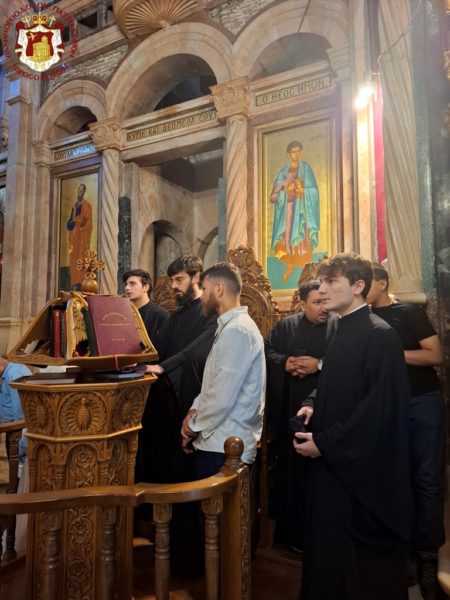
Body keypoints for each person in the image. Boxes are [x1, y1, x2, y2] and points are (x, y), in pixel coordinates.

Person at [294, 253, 413, 600]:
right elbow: (334, 382)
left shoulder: (381, 335)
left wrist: (326, 444)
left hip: (360, 475)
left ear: (358, 286)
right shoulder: (340, 328)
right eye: (322, 282)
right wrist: (312, 404)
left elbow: (378, 411)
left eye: (331, 282)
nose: (322, 289)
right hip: (334, 465)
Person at [367, 263, 445, 600]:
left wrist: (393, 354)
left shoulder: (409, 313)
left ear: (382, 283)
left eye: (367, 282)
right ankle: (403, 552)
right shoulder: (363, 319)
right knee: (393, 478)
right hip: (385, 404)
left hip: (420, 401)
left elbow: (435, 355)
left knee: (426, 481)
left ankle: (427, 556)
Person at [265, 279, 337, 550]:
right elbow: (265, 351)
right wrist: (285, 363)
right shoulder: (286, 326)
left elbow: (348, 361)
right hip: (288, 409)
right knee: (291, 475)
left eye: (325, 301)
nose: (323, 308)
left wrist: (319, 365)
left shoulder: (339, 326)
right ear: (302, 304)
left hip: (325, 412)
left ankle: (321, 537)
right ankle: (291, 536)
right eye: (316, 302)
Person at [181, 262, 266, 477]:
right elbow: (212, 384)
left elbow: (222, 396)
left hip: (227, 447)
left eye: (204, 288)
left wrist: (192, 426)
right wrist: (193, 411)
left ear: (219, 289)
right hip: (217, 442)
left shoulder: (238, 330)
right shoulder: (230, 327)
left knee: (220, 501)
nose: (201, 295)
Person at [142, 255, 217, 484]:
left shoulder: (211, 313)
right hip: (169, 390)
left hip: (193, 392)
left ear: (196, 277)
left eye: (179, 280)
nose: (173, 286)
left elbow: (197, 350)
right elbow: (156, 345)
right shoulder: (176, 315)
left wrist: (164, 367)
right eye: (172, 280)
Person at [270, 141, 320, 281]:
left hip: (301, 209)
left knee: (301, 236)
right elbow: (273, 196)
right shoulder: (283, 171)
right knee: (287, 236)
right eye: (293, 152)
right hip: (287, 210)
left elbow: (314, 191)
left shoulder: (306, 169)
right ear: (289, 154)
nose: (296, 154)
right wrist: (284, 190)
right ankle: (289, 266)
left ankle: (306, 268)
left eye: (298, 151)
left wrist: (302, 189)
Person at [122, 269, 169, 344]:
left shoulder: (161, 315)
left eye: (132, 283)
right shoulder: (123, 314)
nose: (127, 288)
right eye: (126, 284)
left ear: (146, 287)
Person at [0, 356, 31, 461]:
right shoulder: (8, 373)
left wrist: (19, 446)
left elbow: (21, 413)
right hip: (12, 430)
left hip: (18, 432)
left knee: (16, 465)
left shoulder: (14, 374)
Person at [67, 184, 93, 289]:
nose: (79, 193)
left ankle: (81, 284)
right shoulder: (74, 207)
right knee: (73, 259)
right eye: (78, 191)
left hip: (82, 239)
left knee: (82, 258)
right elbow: (69, 224)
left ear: (84, 192)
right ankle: (74, 283)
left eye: (81, 191)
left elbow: (88, 222)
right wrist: (71, 222)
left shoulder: (87, 206)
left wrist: (79, 222)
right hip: (74, 238)